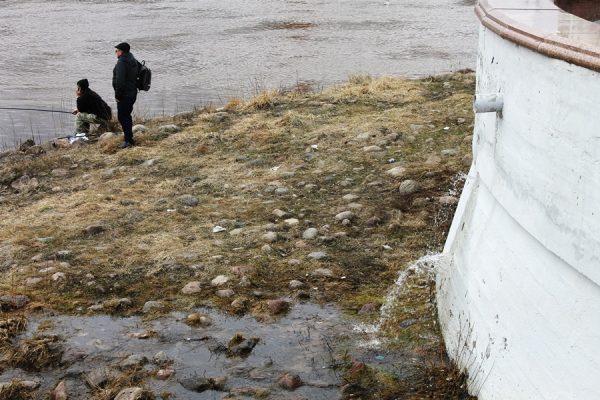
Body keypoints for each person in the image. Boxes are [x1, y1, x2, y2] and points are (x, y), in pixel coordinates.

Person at [112, 42, 138, 149]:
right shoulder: (132, 59)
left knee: (122, 117)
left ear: (121, 51)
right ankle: (129, 138)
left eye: (116, 50)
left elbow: (120, 81)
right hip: (132, 93)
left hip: (125, 95)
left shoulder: (122, 62)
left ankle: (128, 141)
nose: (115, 52)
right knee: (127, 116)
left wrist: (118, 96)